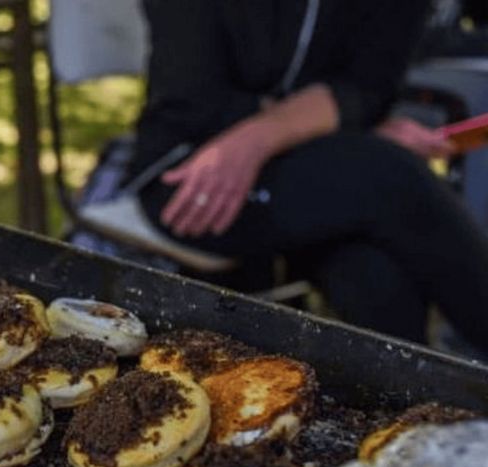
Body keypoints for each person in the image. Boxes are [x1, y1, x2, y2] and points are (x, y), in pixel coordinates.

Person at [128, 0, 488, 353]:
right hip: (189, 170)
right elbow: (194, 99)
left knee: (372, 271)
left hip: (309, 157)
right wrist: (329, 123)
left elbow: (369, 88)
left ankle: (420, 406)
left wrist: (274, 132)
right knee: (391, 176)